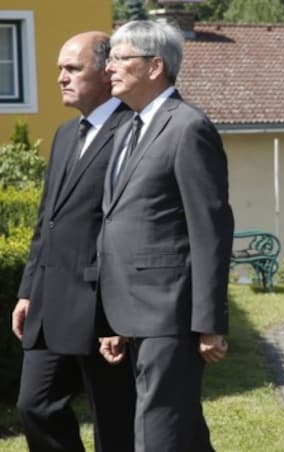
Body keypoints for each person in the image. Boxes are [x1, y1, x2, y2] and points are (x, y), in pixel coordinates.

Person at [97, 20, 234, 452]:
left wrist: (210, 323)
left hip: (169, 312)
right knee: (183, 434)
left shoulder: (187, 128)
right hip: (133, 312)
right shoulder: (126, 130)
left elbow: (210, 229)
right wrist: (114, 319)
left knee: (158, 433)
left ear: (155, 66)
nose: (109, 69)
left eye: (120, 59)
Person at [10, 31, 136, 452]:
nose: (62, 78)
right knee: (35, 405)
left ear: (106, 73)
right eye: (60, 70)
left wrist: (120, 315)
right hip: (50, 298)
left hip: (105, 304)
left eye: (73, 69)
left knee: (114, 420)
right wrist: (28, 291)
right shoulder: (65, 135)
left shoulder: (131, 132)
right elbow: (47, 219)